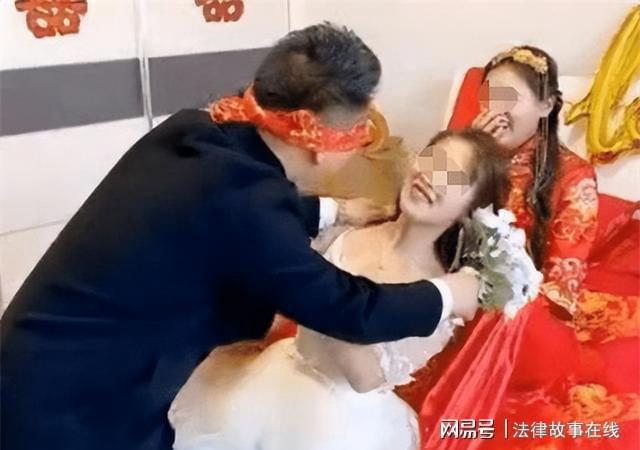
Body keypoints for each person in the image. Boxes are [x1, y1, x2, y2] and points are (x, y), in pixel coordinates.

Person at [0, 23, 480, 450]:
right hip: (71, 409)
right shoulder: (252, 209)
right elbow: (348, 309)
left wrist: (330, 210)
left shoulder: (197, 131)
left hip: (35, 355)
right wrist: (446, 294)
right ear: (320, 142)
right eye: (360, 134)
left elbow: (215, 211)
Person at [168, 128, 510, 450]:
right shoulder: (350, 228)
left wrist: (318, 293)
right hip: (274, 377)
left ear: (471, 211)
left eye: (453, 176)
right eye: (433, 159)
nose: (432, 176)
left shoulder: (443, 294)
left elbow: (366, 377)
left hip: (335, 424)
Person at [406, 46, 639, 450]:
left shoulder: (574, 177)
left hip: (523, 314)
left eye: (509, 99)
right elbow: (417, 209)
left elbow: (560, 283)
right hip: (447, 284)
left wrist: (486, 295)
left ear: (546, 105)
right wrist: (468, 152)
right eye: (489, 97)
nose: (495, 110)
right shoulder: (467, 152)